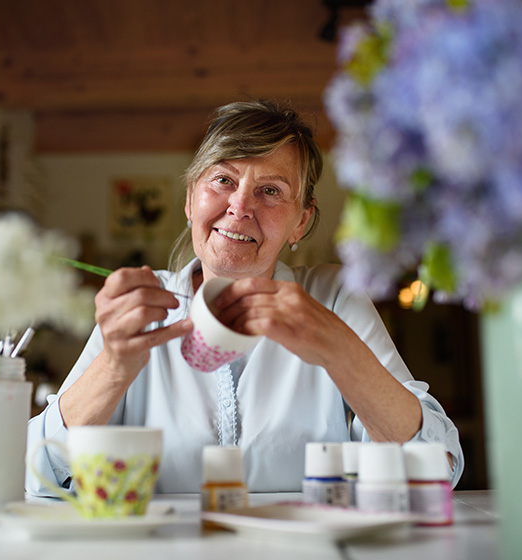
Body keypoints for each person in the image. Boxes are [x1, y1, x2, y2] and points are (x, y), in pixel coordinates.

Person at [26, 100, 464, 495]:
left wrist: (339, 350)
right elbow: (36, 472)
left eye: (270, 190)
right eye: (222, 179)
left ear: (301, 222)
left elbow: (436, 467)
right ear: (189, 200)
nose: (239, 206)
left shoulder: (333, 297)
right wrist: (114, 366)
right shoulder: (141, 305)